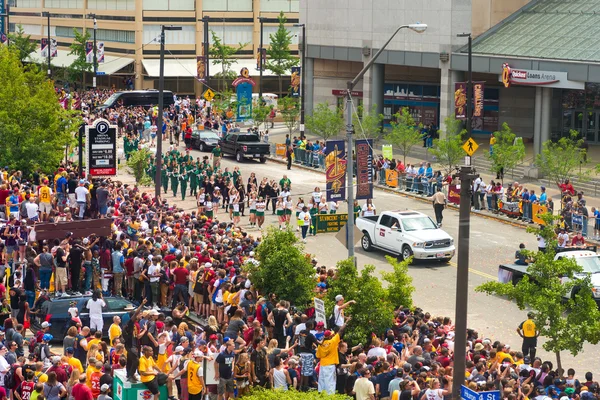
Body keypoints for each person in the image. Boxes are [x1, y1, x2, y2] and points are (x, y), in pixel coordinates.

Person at [316, 323, 348, 394]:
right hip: (330, 365)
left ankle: (321, 396)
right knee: (330, 383)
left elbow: (318, 356)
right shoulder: (333, 342)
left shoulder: (320, 345)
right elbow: (340, 331)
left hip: (322, 365)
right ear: (330, 336)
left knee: (322, 382)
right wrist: (346, 323)